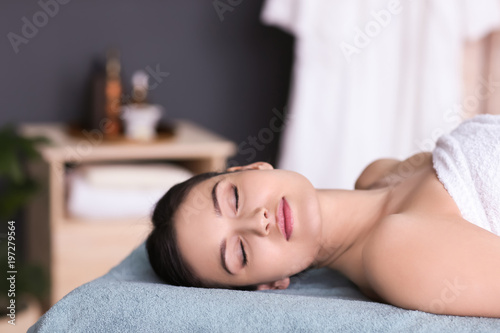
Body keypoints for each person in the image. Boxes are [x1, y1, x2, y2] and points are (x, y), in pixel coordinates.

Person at [146, 114, 500, 318]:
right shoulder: (395, 254)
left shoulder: (377, 174)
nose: (258, 222)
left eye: (234, 197)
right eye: (239, 253)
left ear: (252, 167)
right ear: (269, 285)